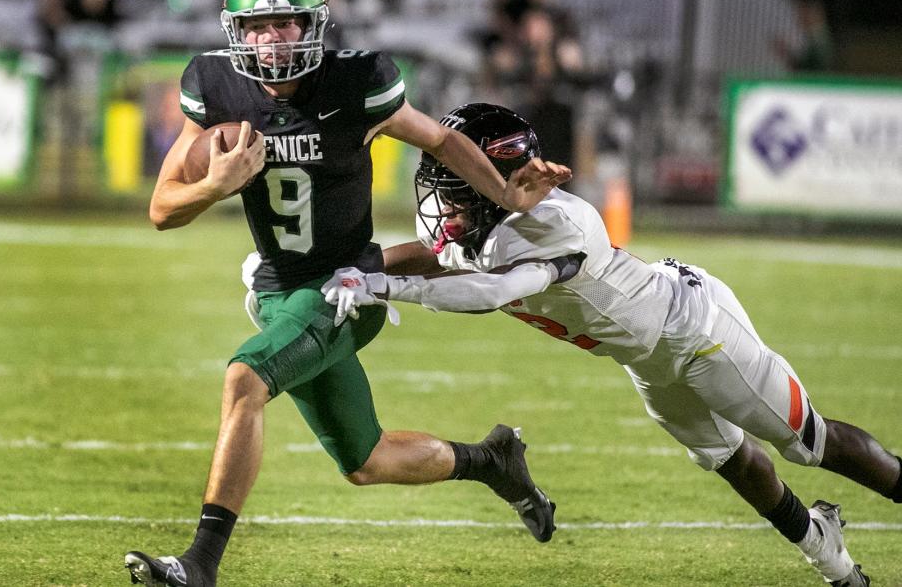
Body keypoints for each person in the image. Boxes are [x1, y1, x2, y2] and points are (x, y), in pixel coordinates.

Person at [123, 0, 569, 587]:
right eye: (259, 26)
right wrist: (215, 187)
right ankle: (491, 461)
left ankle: (200, 563)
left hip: (343, 291)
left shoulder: (355, 84)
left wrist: (504, 194)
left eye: (286, 24)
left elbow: (440, 141)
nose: (272, 39)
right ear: (236, 33)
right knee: (365, 459)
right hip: (277, 292)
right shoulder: (216, 88)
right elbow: (163, 209)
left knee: (245, 380)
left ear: (314, 25)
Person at [322, 103, 902, 587]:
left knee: (807, 442)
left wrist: (382, 286)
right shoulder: (491, 225)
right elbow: (438, 256)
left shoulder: (556, 223)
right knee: (734, 463)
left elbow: (491, 290)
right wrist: (339, 267)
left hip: (698, 333)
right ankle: (832, 559)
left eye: (456, 190)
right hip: (646, 359)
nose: (444, 207)